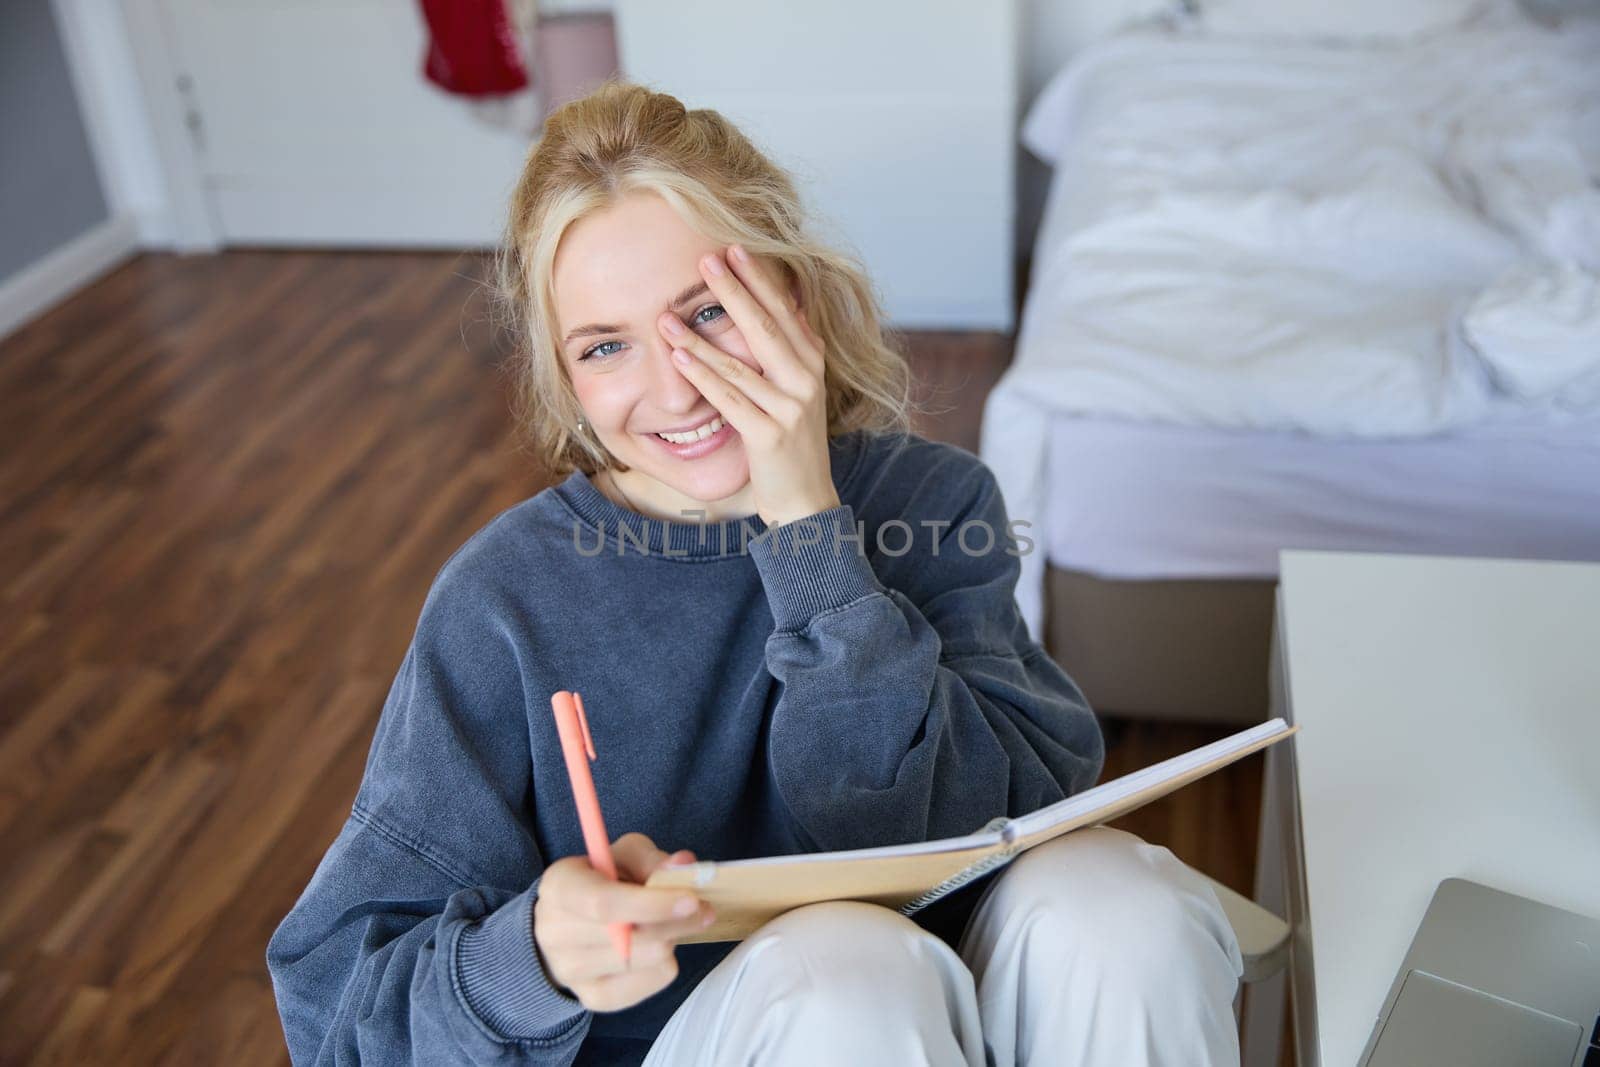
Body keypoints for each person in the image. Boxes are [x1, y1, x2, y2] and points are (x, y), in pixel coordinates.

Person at [265, 79, 1243, 1067]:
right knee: (846, 965)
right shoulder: (504, 601)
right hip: (736, 1034)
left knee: (1127, 906)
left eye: (707, 312)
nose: (676, 382)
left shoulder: (935, 504)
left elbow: (955, 828)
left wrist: (809, 527)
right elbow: (336, 1009)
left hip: (954, 1015)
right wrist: (530, 959)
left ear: (792, 296)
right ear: (564, 380)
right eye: (605, 345)